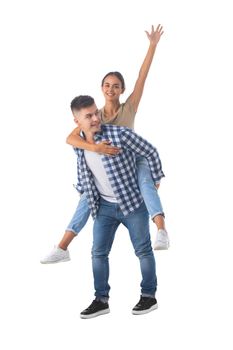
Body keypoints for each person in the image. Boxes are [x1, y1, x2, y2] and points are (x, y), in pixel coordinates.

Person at [40, 24, 169, 265]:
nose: (111, 89)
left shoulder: (128, 107)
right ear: (102, 88)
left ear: (122, 90)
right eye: (107, 85)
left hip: (132, 159)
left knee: (146, 182)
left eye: (116, 86)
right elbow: (71, 139)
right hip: (108, 168)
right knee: (86, 200)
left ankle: (161, 230)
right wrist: (97, 148)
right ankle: (62, 247)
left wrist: (152, 46)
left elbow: (142, 76)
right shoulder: (94, 116)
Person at [69, 95, 164, 318]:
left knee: (143, 250)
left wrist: (155, 179)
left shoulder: (118, 134)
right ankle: (101, 300)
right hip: (103, 208)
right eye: (88, 116)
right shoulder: (79, 145)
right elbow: (81, 166)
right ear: (77, 122)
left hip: (132, 204)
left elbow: (150, 151)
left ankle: (149, 296)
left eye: (95, 113)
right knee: (98, 253)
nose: (95, 118)